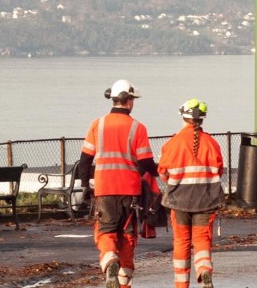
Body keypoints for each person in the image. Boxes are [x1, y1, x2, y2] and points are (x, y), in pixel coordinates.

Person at [77, 79, 158, 288]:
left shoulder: (98, 124)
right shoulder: (138, 128)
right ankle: (123, 281)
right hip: (129, 191)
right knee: (127, 236)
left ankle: (110, 260)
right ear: (129, 100)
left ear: (113, 99)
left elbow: (85, 160)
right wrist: (160, 173)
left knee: (106, 231)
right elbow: (145, 161)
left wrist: (86, 185)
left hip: (104, 190)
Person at [157, 98, 225, 288]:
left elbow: (162, 172)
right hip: (207, 201)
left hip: (179, 202)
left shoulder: (173, 143)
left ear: (183, 117)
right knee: (202, 240)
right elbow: (219, 171)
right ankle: (204, 271)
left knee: (181, 242)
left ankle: (181, 284)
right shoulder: (212, 143)